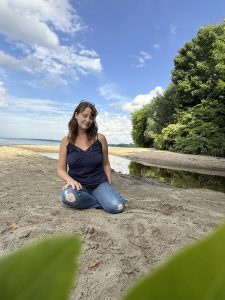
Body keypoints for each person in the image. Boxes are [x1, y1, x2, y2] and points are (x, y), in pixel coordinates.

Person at [57, 100, 125, 214]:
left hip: (99, 184)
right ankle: (100, 202)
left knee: (118, 207)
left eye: (91, 117)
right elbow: (60, 169)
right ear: (76, 115)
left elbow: (106, 164)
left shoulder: (101, 139)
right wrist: (70, 180)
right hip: (78, 186)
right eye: (85, 116)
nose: (88, 120)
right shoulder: (66, 141)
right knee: (67, 196)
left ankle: (102, 200)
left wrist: (108, 184)